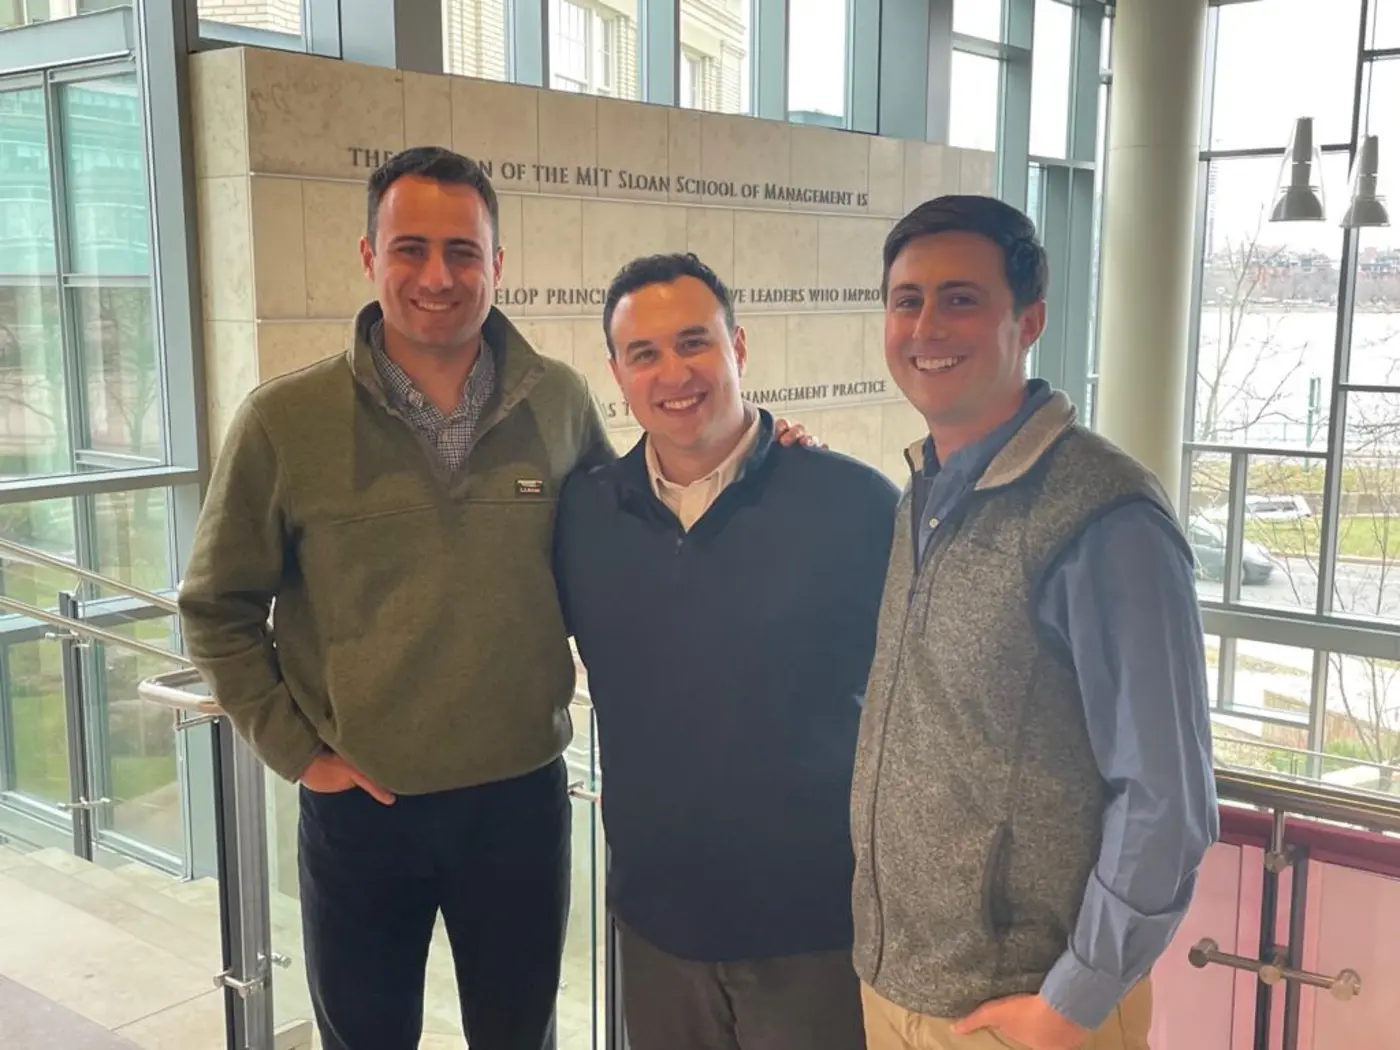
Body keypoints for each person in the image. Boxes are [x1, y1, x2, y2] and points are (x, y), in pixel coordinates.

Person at [177, 146, 816, 1050]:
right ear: (369, 257)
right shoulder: (285, 422)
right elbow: (215, 605)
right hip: (363, 807)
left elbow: (639, 518)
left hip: (519, 800)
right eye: (410, 249)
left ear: (497, 265)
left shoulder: (555, 401)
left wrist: (763, 446)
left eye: (463, 252)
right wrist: (297, 750)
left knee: (521, 1037)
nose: (438, 276)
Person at [849, 195, 1219, 1050]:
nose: (926, 324)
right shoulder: (925, 493)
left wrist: (1075, 999)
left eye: (961, 298)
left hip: (1028, 1011)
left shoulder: (1103, 516)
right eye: (907, 300)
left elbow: (1167, 797)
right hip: (899, 984)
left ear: (1031, 321)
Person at [554, 252, 900, 1050]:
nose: (673, 372)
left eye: (694, 343)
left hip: (815, 933)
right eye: (643, 353)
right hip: (655, 930)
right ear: (616, 372)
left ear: (738, 349)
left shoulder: (855, 506)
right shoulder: (584, 518)